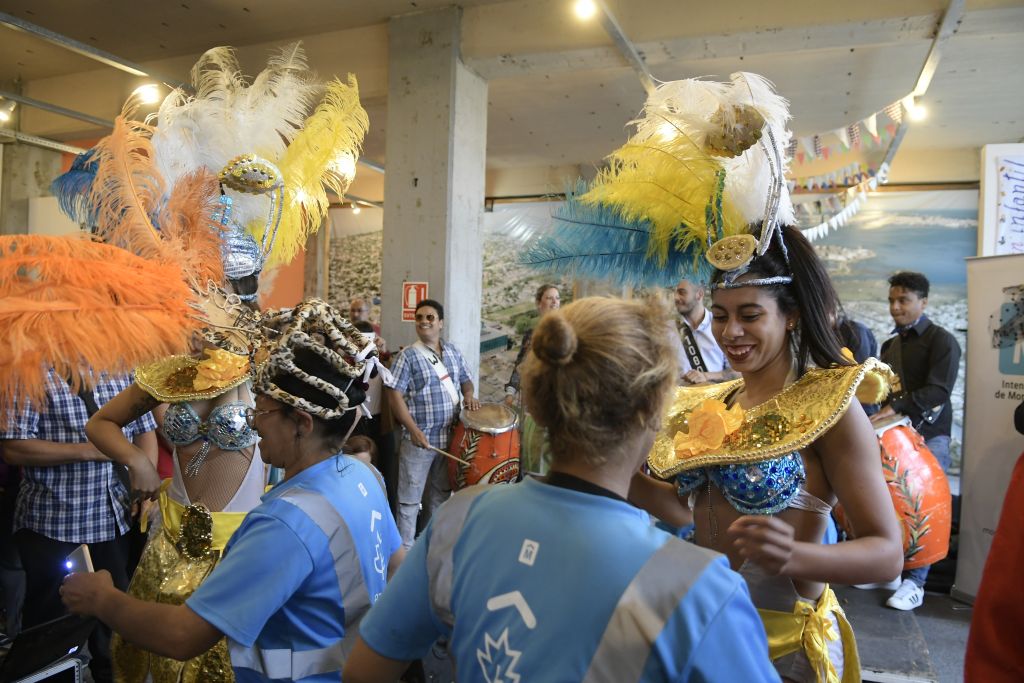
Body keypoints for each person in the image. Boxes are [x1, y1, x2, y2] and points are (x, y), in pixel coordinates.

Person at [343, 297, 779, 682]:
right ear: (652, 410)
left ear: (537, 402)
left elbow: (364, 670)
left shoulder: (460, 519)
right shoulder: (699, 592)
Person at [62, 299, 404, 683]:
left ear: (303, 423)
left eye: (263, 413)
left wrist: (102, 599)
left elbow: (182, 635)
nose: (254, 427)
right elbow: (397, 566)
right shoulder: (363, 480)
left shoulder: (284, 524)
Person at [631, 227, 903, 683]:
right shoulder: (714, 405)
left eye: (750, 315)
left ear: (791, 316)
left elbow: (887, 554)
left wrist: (794, 556)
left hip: (781, 647)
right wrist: (610, 468)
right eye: (720, 315)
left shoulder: (829, 409)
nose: (731, 332)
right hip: (708, 629)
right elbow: (685, 508)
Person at [0, 370, 157, 683]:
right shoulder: (28, 373)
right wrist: (94, 448)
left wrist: (146, 487)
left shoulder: (119, 368)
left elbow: (145, 431)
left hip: (113, 519)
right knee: (50, 632)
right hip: (55, 523)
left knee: (114, 630)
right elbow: (13, 447)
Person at [872, 270, 961, 611]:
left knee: (924, 506)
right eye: (892, 300)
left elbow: (939, 390)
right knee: (889, 503)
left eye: (903, 300)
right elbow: (884, 392)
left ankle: (916, 583)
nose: (896, 307)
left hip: (929, 436)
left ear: (923, 302)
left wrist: (895, 409)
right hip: (896, 437)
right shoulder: (889, 345)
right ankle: (890, 569)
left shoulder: (942, 341)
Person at [385, 298, 479, 549]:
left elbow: (466, 380)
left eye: (429, 318)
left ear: (441, 323)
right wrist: (413, 430)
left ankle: (429, 547)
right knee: (409, 500)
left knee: (440, 496)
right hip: (419, 439)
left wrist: (468, 394)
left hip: (449, 439)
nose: (424, 322)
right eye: (419, 318)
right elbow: (393, 394)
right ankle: (403, 554)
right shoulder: (408, 355)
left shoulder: (453, 352)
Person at [504, 283, 560, 474]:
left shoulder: (566, 332)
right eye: (549, 297)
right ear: (539, 303)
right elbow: (520, 364)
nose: (554, 302)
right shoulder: (531, 334)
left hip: (555, 404)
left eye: (557, 298)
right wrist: (510, 392)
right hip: (530, 404)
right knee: (527, 458)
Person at [673, 279, 736, 385]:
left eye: (682, 292)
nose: (675, 297)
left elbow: (737, 372)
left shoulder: (722, 325)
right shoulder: (666, 330)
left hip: (715, 398)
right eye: (675, 292)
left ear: (699, 294)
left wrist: (706, 376)